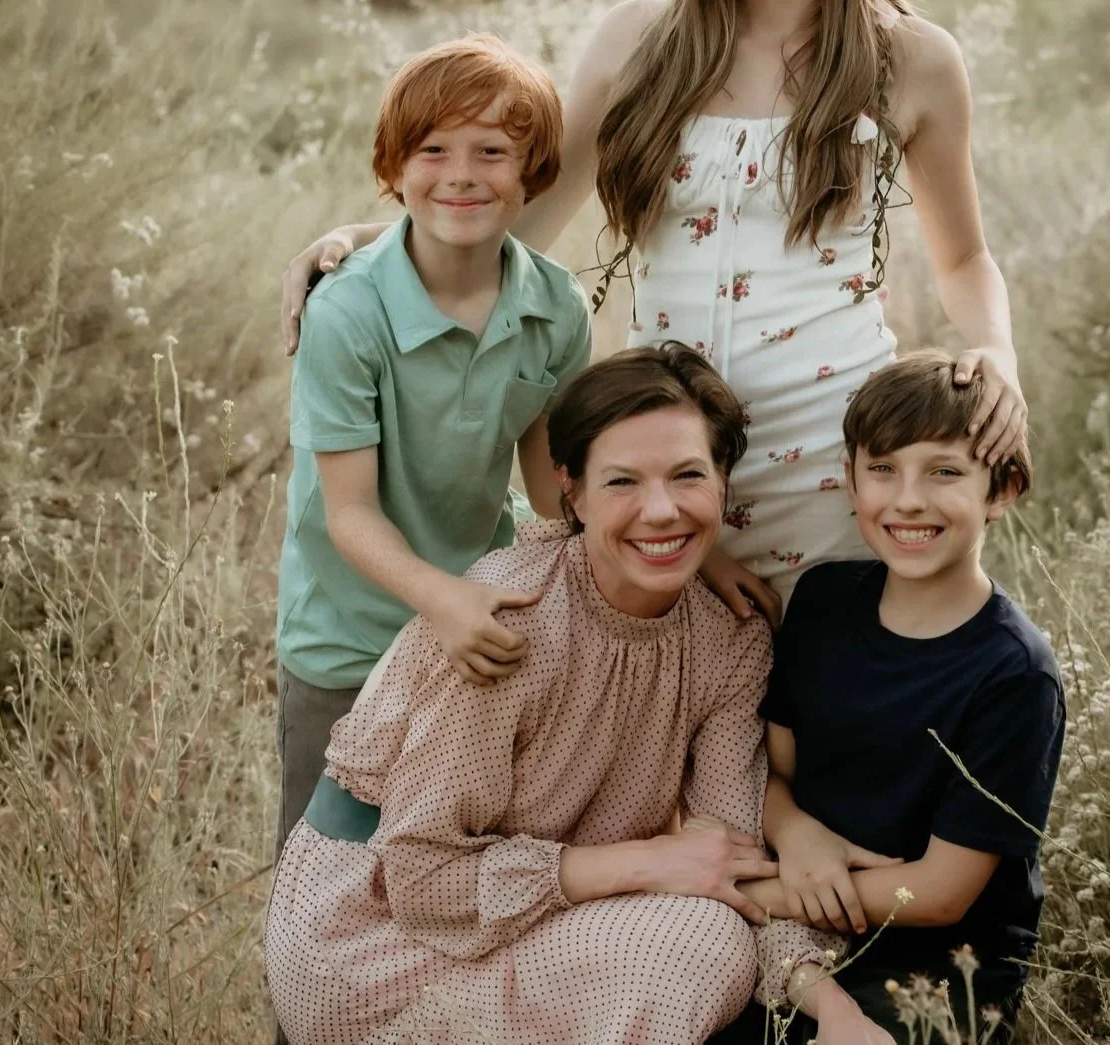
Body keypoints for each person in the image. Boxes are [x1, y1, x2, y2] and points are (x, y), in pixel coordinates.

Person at [279, 0, 1029, 619]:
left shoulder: (912, 57)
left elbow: (965, 256)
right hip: (664, 450)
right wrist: (364, 239)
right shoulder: (639, 40)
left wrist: (998, 359)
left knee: (817, 713)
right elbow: (518, 212)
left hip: (830, 448)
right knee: (661, 713)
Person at [265, 344, 811, 1045]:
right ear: (569, 491)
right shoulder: (510, 616)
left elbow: (725, 860)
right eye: (621, 482)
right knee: (691, 943)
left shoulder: (729, 641)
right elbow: (423, 879)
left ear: (723, 481)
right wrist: (643, 862)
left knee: (709, 939)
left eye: (687, 476)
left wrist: (834, 1004)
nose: (660, 509)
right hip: (374, 938)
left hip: (536, 912)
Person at [274, 34, 592, 875]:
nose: (462, 174)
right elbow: (349, 513)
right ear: (393, 167)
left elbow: (551, 487)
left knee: (448, 878)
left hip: (477, 637)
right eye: (433, 149)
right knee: (327, 886)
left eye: (493, 151)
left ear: (534, 173)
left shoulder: (556, 309)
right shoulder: (346, 314)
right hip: (350, 641)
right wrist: (440, 601)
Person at [717, 350, 1065, 1045]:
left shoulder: (1014, 673)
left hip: (938, 959)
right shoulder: (820, 600)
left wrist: (757, 894)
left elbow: (940, 892)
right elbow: (774, 769)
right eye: (882, 468)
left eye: (944, 471)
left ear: (1001, 489)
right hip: (800, 914)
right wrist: (798, 833)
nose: (907, 498)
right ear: (848, 480)